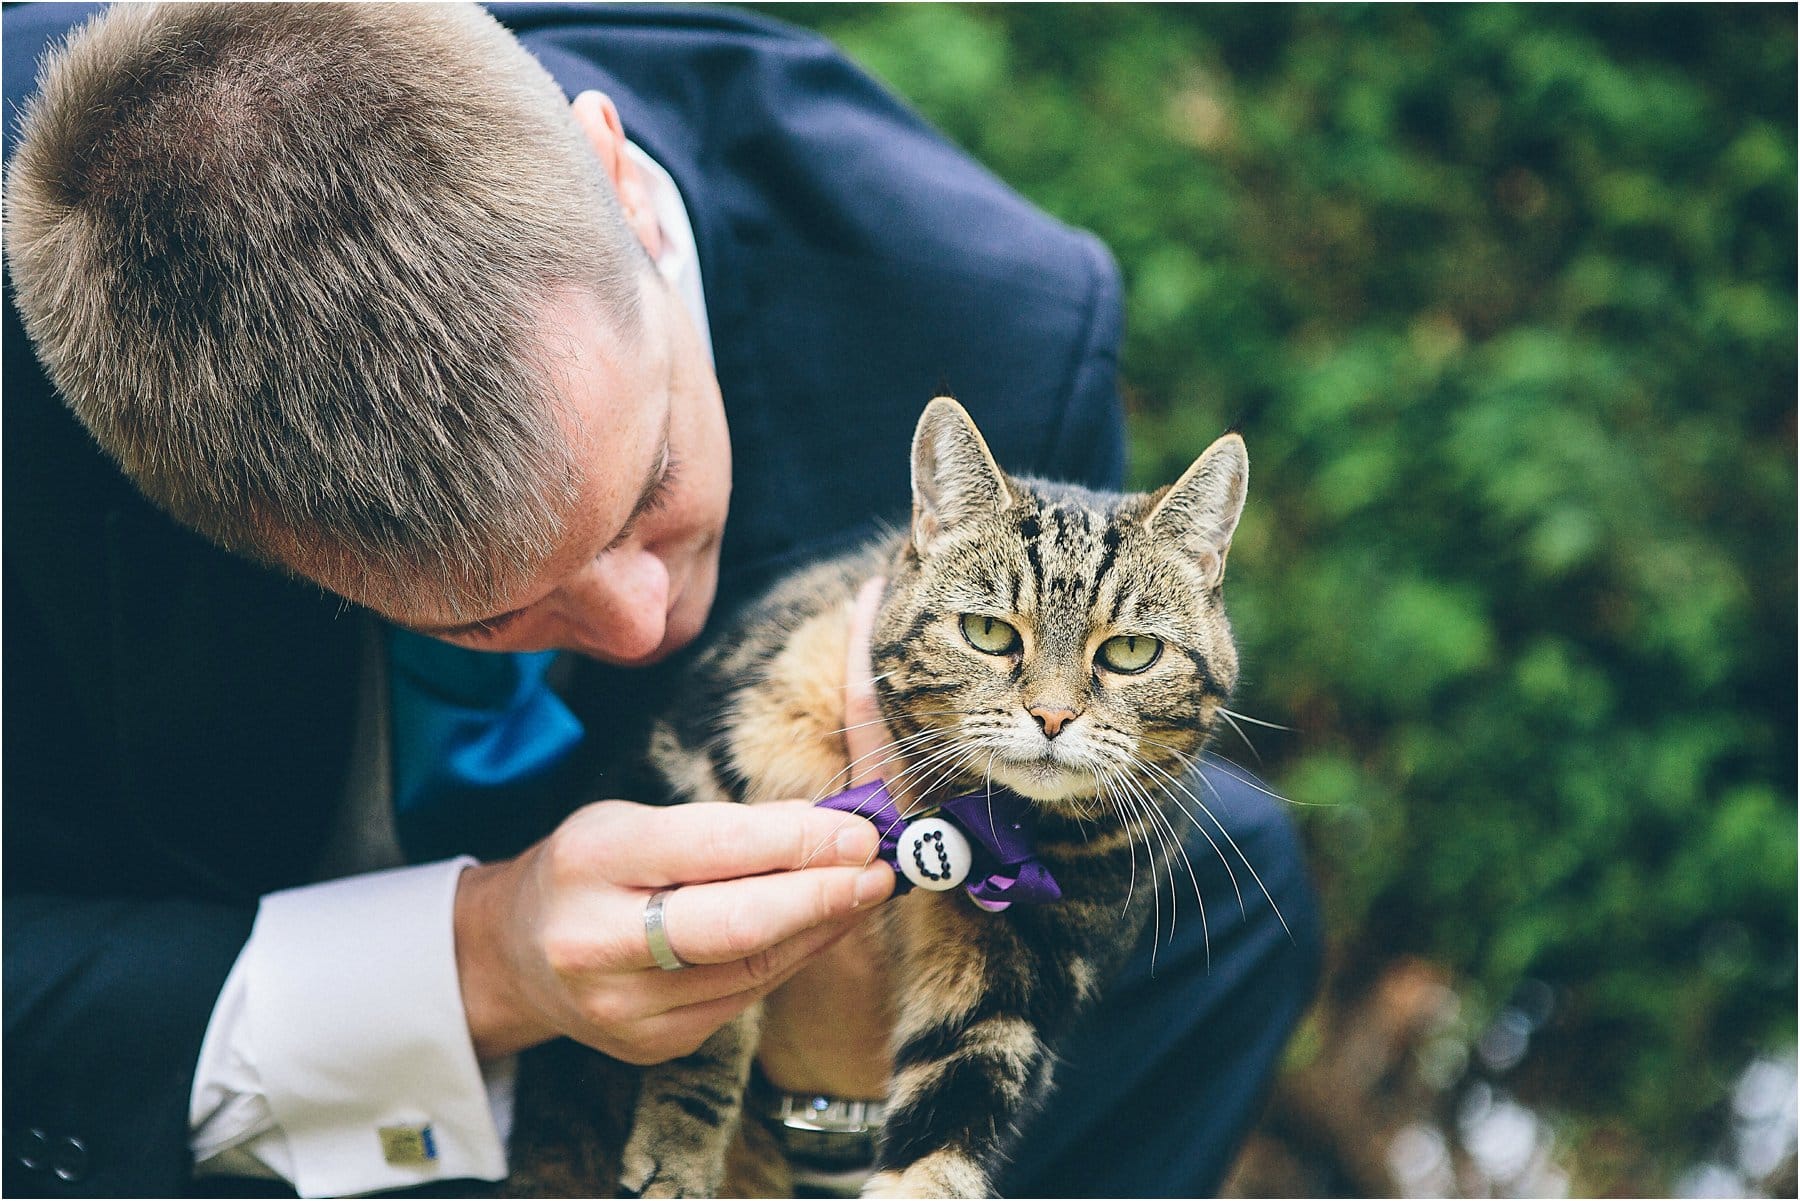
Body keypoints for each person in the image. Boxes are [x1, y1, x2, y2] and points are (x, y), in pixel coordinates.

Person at [2, 3, 1320, 1197]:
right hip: (205, 1105)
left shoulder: (993, 330)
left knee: (1241, 897)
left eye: (652, 484)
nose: (643, 624)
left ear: (617, 184)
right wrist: (474, 963)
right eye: (482, 614)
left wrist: (825, 1104)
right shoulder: (42, 397)